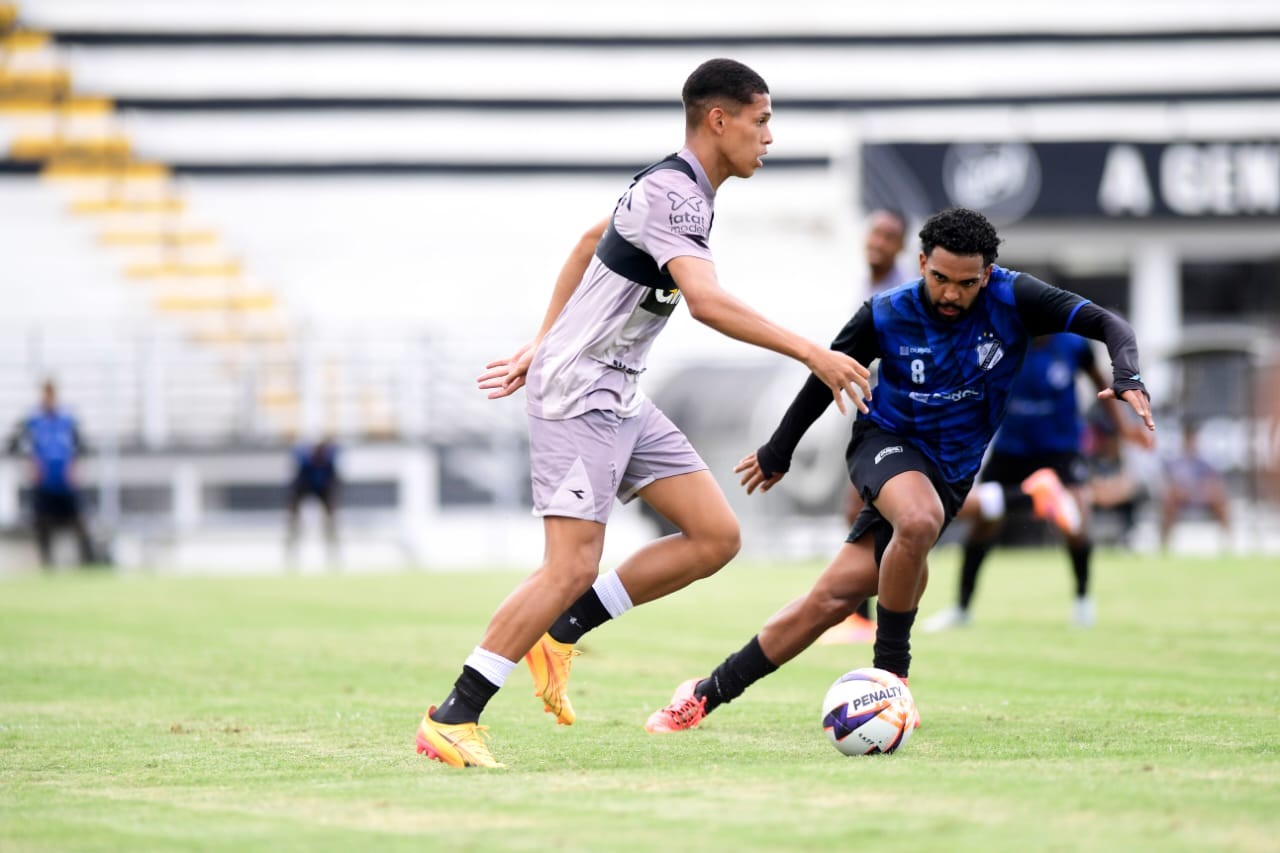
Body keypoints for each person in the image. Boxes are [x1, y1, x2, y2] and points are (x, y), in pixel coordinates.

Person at [415, 58, 870, 769]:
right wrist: (812, 351)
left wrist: (544, 340)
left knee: (715, 534)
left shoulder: (679, 188)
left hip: (619, 392)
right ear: (719, 120)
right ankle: (454, 713)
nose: (770, 136)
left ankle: (561, 630)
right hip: (580, 395)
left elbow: (581, 247)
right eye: (762, 120)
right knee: (570, 563)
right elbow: (709, 303)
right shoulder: (674, 195)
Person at [641, 206, 1155, 735]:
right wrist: (780, 449)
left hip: (951, 472)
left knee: (829, 601)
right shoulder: (886, 312)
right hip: (884, 442)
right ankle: (891, 677)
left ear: (988, 274)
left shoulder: (1015, 297)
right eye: (940, 279)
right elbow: (827, 375)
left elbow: (1108, 323)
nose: (952, 294)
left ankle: (702, 695)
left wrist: (1128, 374)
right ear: (921, 263)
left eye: (966, 283)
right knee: (916, 518)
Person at [921, 334, 1156, 633]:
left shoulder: (1073, 345)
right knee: (983, 523)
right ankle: (962, 608)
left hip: (1059, 449)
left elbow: (1101, 383)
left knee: (1076, 523)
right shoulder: (1002, 341)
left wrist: (1124, 428)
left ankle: (1083, 602)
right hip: (1013, 448)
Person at [823, 207, 910, 644]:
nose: (878, 241)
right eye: (874, 232)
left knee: (876, 512)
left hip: (894, 417)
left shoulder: (898, 292)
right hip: (868, 409)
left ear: (901, 246)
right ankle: (861, 614)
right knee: (865, 510)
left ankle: (1010, 498)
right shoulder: (868, 283)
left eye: (888, 236)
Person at [7, 380, 94, 567]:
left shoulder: (68, 419)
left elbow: (83, 446)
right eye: (46, 393)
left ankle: (88, 562)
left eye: (52, 393)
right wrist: (29, 462)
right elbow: (12, 445)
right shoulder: (32, 420)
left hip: (66, 482)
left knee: (79, 521)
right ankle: (47, 563)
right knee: (42, 523)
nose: (49, 397)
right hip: (43, 482)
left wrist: (75, 466)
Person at [1158, 420, 1231, 551]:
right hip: (1180, 498)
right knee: (1169, 499)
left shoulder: (1205, 462)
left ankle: (1227, 544)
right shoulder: (1174, 462)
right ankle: (1164, 544)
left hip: (1201, 496)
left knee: (1219, 499)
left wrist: (1202, 491)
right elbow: (1168, 483)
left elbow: (1214, 482)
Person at [285, 437, 340, 563]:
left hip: (323, 490)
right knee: (293, 522)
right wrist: (293, 506)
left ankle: (333, 554)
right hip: (305, 488)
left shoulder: (328, 464)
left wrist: (332, 504)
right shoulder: (305, 464)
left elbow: (334, 483)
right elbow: (297, 485)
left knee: (331, 522)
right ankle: (291, 553)